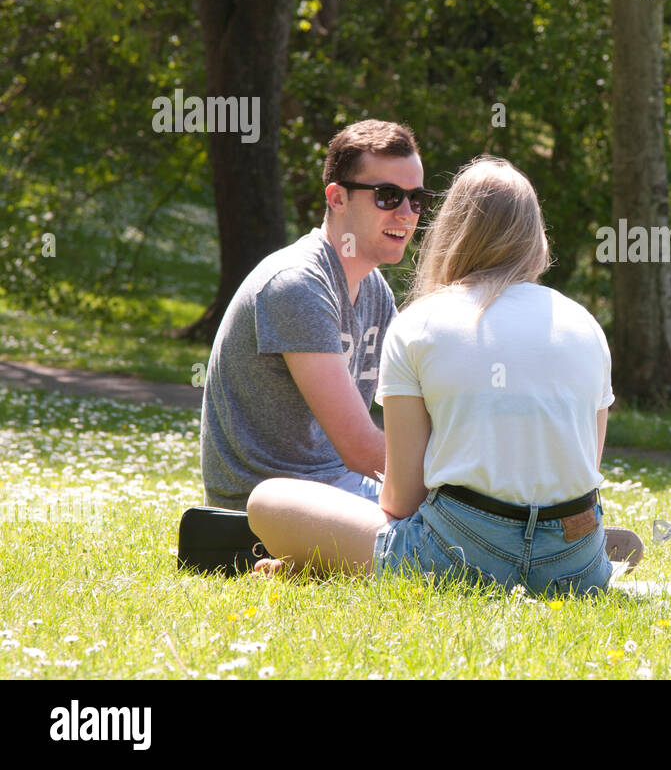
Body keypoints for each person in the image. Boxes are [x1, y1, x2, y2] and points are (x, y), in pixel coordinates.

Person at [246, 156, 616, 595]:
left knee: (268, 500)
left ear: (451, 231)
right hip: (576, 561)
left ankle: (327, 564)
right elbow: (582, 467)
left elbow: (402, 500)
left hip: (459, 555)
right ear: (534, 235)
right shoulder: (585, 325)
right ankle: (572, 560)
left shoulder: (419, 323)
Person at [200, 119, 427, 510]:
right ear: (337, 199)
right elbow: (360, 448)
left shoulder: (375, 291)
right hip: (266, 508)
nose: (407, 214)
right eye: (388, 196)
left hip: (339, 488)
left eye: (417, 198)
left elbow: (418, 408)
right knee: (451, 533)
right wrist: (460, 485)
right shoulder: (298, 285)